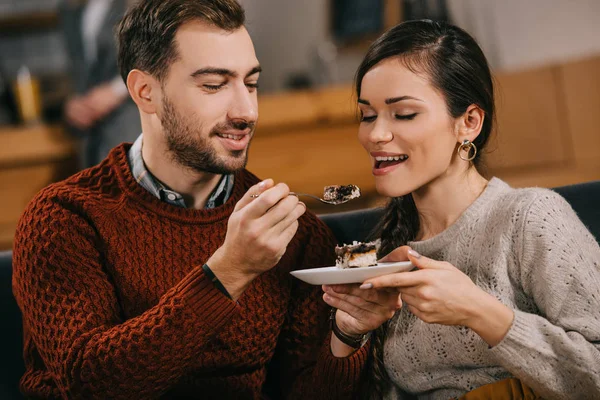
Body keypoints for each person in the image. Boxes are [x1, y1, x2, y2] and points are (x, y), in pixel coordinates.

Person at [12, 0, 399, 398]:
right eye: (214, 85)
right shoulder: (63, 218)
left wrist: (346, 334)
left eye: (251, 83)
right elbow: (92, 385)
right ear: (146, 92)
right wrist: (229, 272)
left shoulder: (290, 232)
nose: (247, 111)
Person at [321, 20, 600, 399]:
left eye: (403, 114)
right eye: (368, 115)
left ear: (469, 123)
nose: (374, 135)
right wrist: (348, 333)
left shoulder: (530, 218)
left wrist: (479, 312)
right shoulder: (387, 248)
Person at [60, 0, 141, 167]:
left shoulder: (138, 4)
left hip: (131, 125)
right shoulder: (70, 9)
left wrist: (116, 90)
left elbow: (159, 58)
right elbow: (77, 70)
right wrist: (72, 103)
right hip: (90, 139)